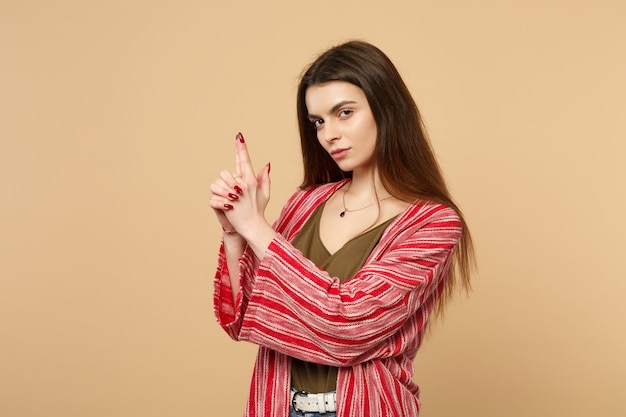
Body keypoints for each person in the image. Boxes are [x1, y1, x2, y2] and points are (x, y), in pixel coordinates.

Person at [210, 40, 474, 417]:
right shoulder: (306, 204)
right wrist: (236, 231)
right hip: (277, 406)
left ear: (387, 110)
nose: (327, 134)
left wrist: (258, 228)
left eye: (344, 113)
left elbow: (347, 327)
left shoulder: (433, 224)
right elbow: (247, 315)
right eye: (318, 121)